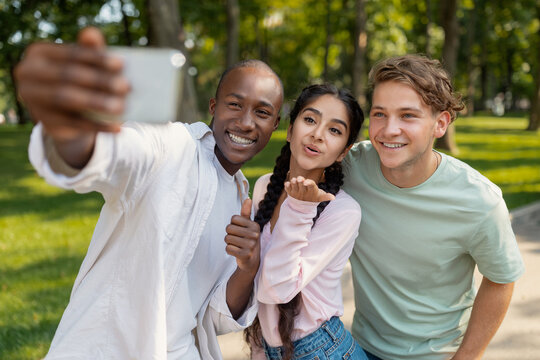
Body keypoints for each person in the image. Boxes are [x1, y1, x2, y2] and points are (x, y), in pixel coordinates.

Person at [15, 27, 283, 359]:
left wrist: (248, 266)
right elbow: (120, 154)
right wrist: (75, 136)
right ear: (213, 106)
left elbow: (215, 318)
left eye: (262, 112)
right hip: (104, 349)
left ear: (275, 123)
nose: (246, 122)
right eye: (234, 105)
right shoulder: (170, 144)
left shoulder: (241, 200)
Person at [342, 54, 525, 360]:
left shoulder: (478, 201)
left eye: (408, 116)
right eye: (379, 114)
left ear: (440, 123)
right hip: (360, 348)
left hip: (437, 354)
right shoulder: (351, 167)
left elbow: (501, 279)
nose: (389, 129)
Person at [244, 84, 368, 360]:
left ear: (343, 152)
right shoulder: (267, 186)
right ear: (290, 131)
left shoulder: (343, 211)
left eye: (334, 130)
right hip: (274, 348)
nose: (317, 134)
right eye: (310, 120)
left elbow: (276, 288)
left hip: (324, 351)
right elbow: (258, 285)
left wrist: (300, 208)